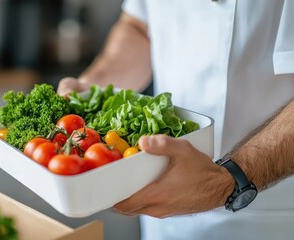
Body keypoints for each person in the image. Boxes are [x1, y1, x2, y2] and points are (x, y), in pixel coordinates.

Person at [57, 1, 294, 239]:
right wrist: (91, 91)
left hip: (270, 211)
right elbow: (140, 27)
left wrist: (232, 178)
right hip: (164, 218)